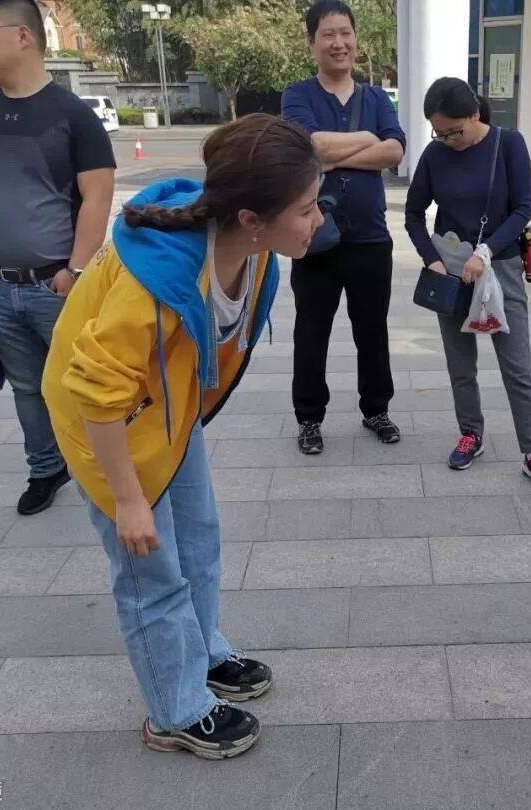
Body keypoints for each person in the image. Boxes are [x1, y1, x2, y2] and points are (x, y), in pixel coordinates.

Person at [41, 114, 325, 760]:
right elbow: (94, 392)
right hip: (101, 422)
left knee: (197, 538)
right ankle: (174, 709)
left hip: (163, 409)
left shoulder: (254, 253)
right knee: (151, 567)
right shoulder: (159, 277)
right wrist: (128, 501)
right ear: (252, 218)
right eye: (307, 209)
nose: (319, 220)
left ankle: (202, 651)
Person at [0, 0, 115, 515]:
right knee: (25, 385)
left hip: (55, 285)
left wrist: (75, 271)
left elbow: (98, 197)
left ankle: (102, 470)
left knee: (79, 381)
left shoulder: (73, 116)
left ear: (22, 35)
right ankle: (45, 468)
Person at [404, 77, 531, 494]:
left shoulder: (508, 144)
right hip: (450, 270)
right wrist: (432, 259)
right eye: (438, 133)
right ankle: (470, 434)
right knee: (460, 364)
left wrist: (486, 252)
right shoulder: (435, 154)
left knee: (517, 366)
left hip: (501, 267)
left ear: (475, 115)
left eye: (454, 131)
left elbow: (523, 208)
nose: (446, 140)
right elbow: (413, 214)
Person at [282, 0, 407, 455]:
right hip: (313, 237)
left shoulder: (376, 99)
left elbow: (395, 151)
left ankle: (376, 409)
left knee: (372, 330)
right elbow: (309, 146)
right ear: (312, 42)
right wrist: (368, 140)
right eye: (328, 34)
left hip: (370, 238)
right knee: (310, 332)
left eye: (345, 33)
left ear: (355, 38)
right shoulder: (297, 95)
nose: (339, 43)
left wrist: (333, 153)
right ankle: (309, 418)